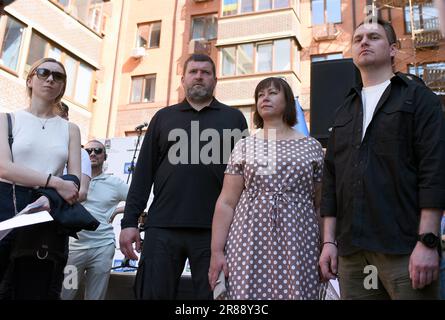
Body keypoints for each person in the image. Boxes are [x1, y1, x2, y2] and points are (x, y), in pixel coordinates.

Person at [319, 18, 445, 299]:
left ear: (392, 50)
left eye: (373, 37)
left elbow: (434, 171)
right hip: (353, 254)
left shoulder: (419, 98)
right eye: (358, 38)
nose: (364, 41)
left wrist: (428, 241)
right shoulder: (343, 112)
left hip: (405, 249)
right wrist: (328, 241)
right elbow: (331, 182)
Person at [119, 54, 248, 299]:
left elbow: (244, 179)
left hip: (215, 231)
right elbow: (143, 174)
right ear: (183, 79)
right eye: (193, 71)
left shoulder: (234, 118)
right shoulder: (163, 118)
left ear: (215, 80)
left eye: (205, 72)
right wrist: (128, 223)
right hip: (162, 227)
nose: (199, 76)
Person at [208, 77, 324, 300]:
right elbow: (226, 202)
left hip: (300, 239)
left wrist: (326, 245)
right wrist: (216, 251)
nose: (265, 98)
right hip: (248, 239)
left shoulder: (312, 147)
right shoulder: (244, 145)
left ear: (288, 100)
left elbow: (320, 204)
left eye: (272, 93)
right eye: (260, 95)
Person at [0, 57, 80, 299]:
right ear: (30, 79)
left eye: (58, 76)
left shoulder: (70, 129)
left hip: (46, 209)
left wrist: (58, 190)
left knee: (36, 290)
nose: (50, 79)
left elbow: (75, 179)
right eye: (43, 72)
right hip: (7, 205)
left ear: (63, 86)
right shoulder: (6, 119)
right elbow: (4, 168)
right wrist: (56, 182)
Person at [62, 140, 128, 300]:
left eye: (98, 151)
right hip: (73, 250)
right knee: (65, 295)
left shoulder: (115, 183)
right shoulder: (68, 180)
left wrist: (116, 211)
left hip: (102, 248)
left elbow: (138, 202)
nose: (92, 154)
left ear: (104, 156)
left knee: (95, 297)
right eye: (88, 150)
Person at [56, 102, 91, 202]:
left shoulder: (82, 153)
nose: (66, 120)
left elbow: (82, 192)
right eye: (60, 117)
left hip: (59, 208)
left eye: (66, 116)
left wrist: (51, 201)